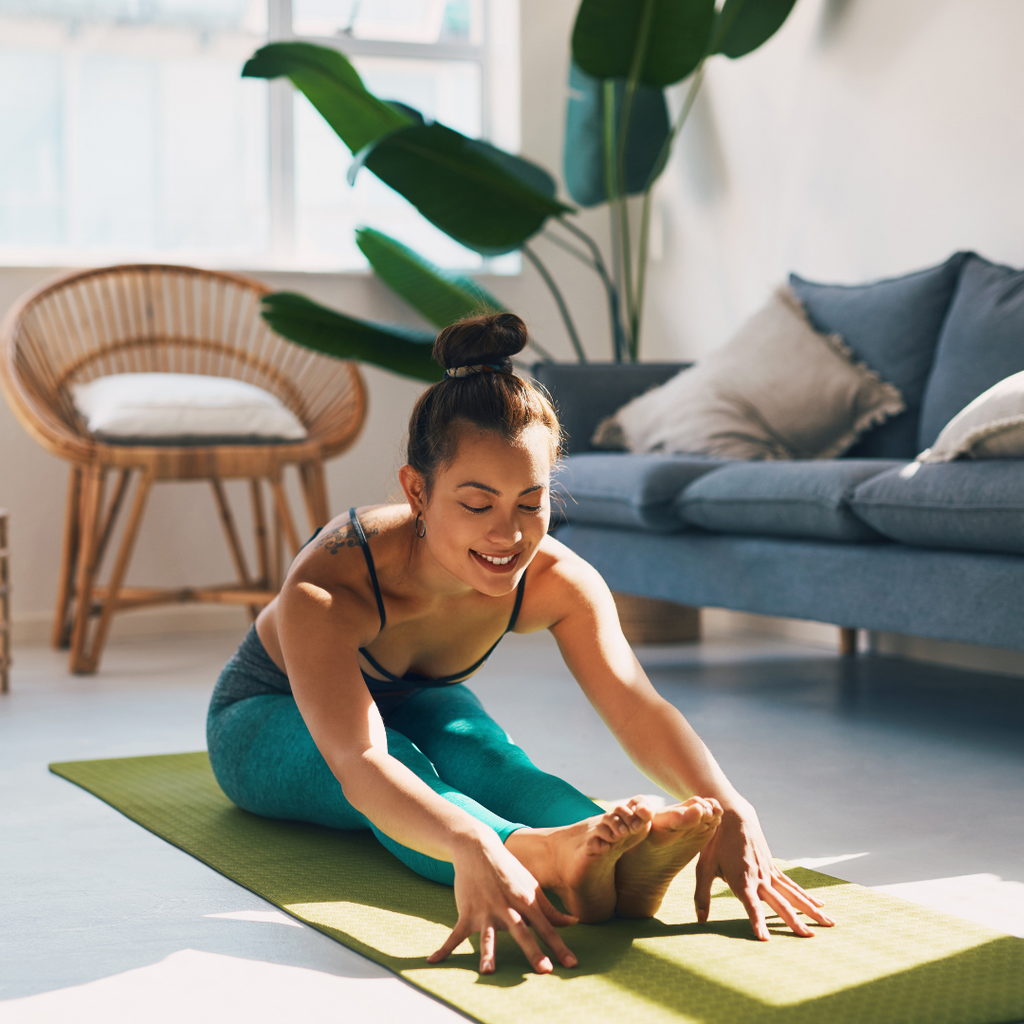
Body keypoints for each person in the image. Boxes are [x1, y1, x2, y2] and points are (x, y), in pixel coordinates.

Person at [207, 312, 834, 975]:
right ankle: (539, 853)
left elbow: (635, 704)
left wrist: (732, 805)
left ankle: (604, 846)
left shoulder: (557, 579)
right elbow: (362, 760)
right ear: (417, 490)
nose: (508, 535)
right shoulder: (333, 581)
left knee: (496, 764)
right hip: (267, 714)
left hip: (417, 697)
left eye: (530, 504)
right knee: (407, 771)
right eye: (478, 505)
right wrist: (472, 842)